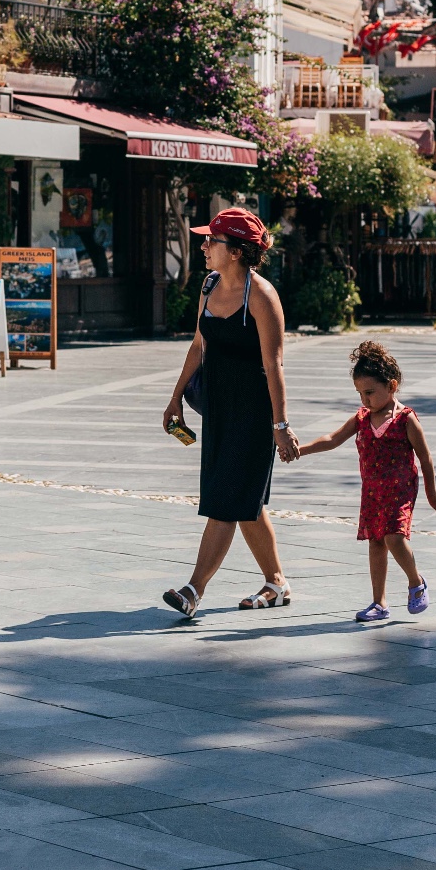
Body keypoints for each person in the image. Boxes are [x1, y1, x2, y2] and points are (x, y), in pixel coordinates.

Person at [161, 208, 298, 617]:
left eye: (211, 241)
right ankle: (277, 582)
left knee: (225, 499)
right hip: (218, 411)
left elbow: (274, 365)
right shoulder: (208, 285)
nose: (203, 246)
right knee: (245, 501)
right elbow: (197, 346)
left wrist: (280, 425)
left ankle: (193, 590)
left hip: (254, 416)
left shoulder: (261, 295)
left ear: (236, 251)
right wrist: (174, 398)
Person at [296, 341, 436, 623]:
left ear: (391, 386)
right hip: (373, 492)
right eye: (360, 394)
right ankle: (379, 603)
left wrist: (431, 493)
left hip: (401, 490)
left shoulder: (406, 420)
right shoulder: (362, 418)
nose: (365, 400)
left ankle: (416, 582)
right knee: (376, 543)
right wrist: (301, 449)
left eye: (369, 393)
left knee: (393, 536)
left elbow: (425, 458)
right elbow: (332, 439)